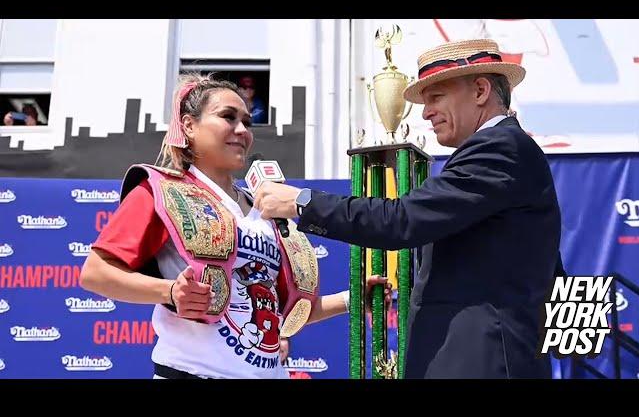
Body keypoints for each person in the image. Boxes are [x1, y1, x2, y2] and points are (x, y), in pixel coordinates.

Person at [253, 39, 564, 379]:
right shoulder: (505, 150)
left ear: (480, 90)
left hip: (481, 361)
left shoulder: (499, 149)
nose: (426, 111)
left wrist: (301, 203)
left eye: (436, 97)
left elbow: (401, 220)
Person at [79, 73, 390, 379]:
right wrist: (170, 291)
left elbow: (278, 310)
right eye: (228, 117)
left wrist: (351, 299)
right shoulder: (161, 191)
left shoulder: (266, 208)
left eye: (247, 121)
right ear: (189, 126)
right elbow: (95, 273)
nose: (242, 129)